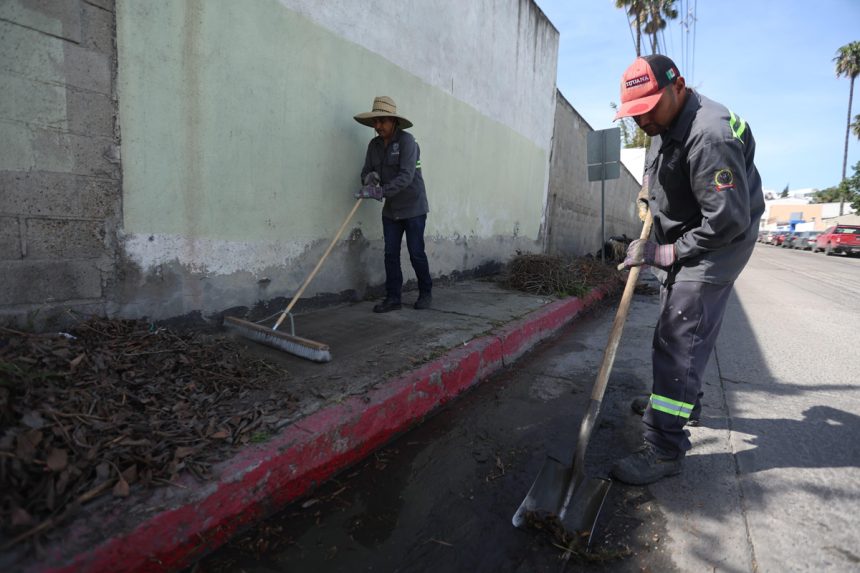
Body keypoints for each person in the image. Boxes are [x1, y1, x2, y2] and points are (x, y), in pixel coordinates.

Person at [611, 55, 765, 485]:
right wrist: (647, 194)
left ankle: (664, 448)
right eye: (634, 113)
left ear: (678, 87)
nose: (642, 120)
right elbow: (655, 164)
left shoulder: (710, 135)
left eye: (648, 109)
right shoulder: (662, 122)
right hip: (688, 229)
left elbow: (727, 220)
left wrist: (665, 253)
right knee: (675, 318)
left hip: (720, 242)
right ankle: (680, 402)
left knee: (678, 337)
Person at [354, 96, 432, 313]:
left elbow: (406, 176)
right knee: (390, 254)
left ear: (394, 121)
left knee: (416, 252)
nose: (378, 126)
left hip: (414, 207)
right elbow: (366, 171)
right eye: (375, 122)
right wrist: (368, 179)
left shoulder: (408, 142)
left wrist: (381, 191)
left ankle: (426, 292)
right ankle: (393, 298)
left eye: (382, 121)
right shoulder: (374, 145)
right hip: (391, 210)